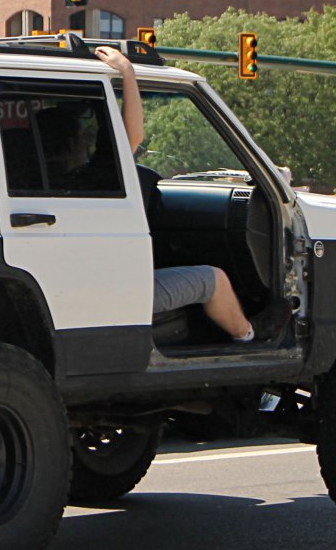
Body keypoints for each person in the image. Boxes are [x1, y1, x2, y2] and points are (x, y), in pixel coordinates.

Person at [92, 44, 258, 343]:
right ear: (71, 143)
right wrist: (127, 72)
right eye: (82, 134)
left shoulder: (48, 179)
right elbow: (133, 136)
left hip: (91, 290)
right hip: (122, 292)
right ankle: (251, 337)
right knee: (214, 279)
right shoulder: (97, 175)